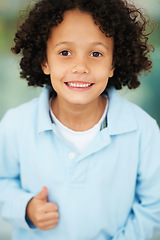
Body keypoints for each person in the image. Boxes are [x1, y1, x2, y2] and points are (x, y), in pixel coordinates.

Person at [0, 0, 160, 239]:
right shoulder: (16, 124)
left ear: (113, 64)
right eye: (65, 52)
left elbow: (152, 206)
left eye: (96, 53)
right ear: (45, 61)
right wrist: (25, 207)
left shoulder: (143, 130)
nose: (80, 67)